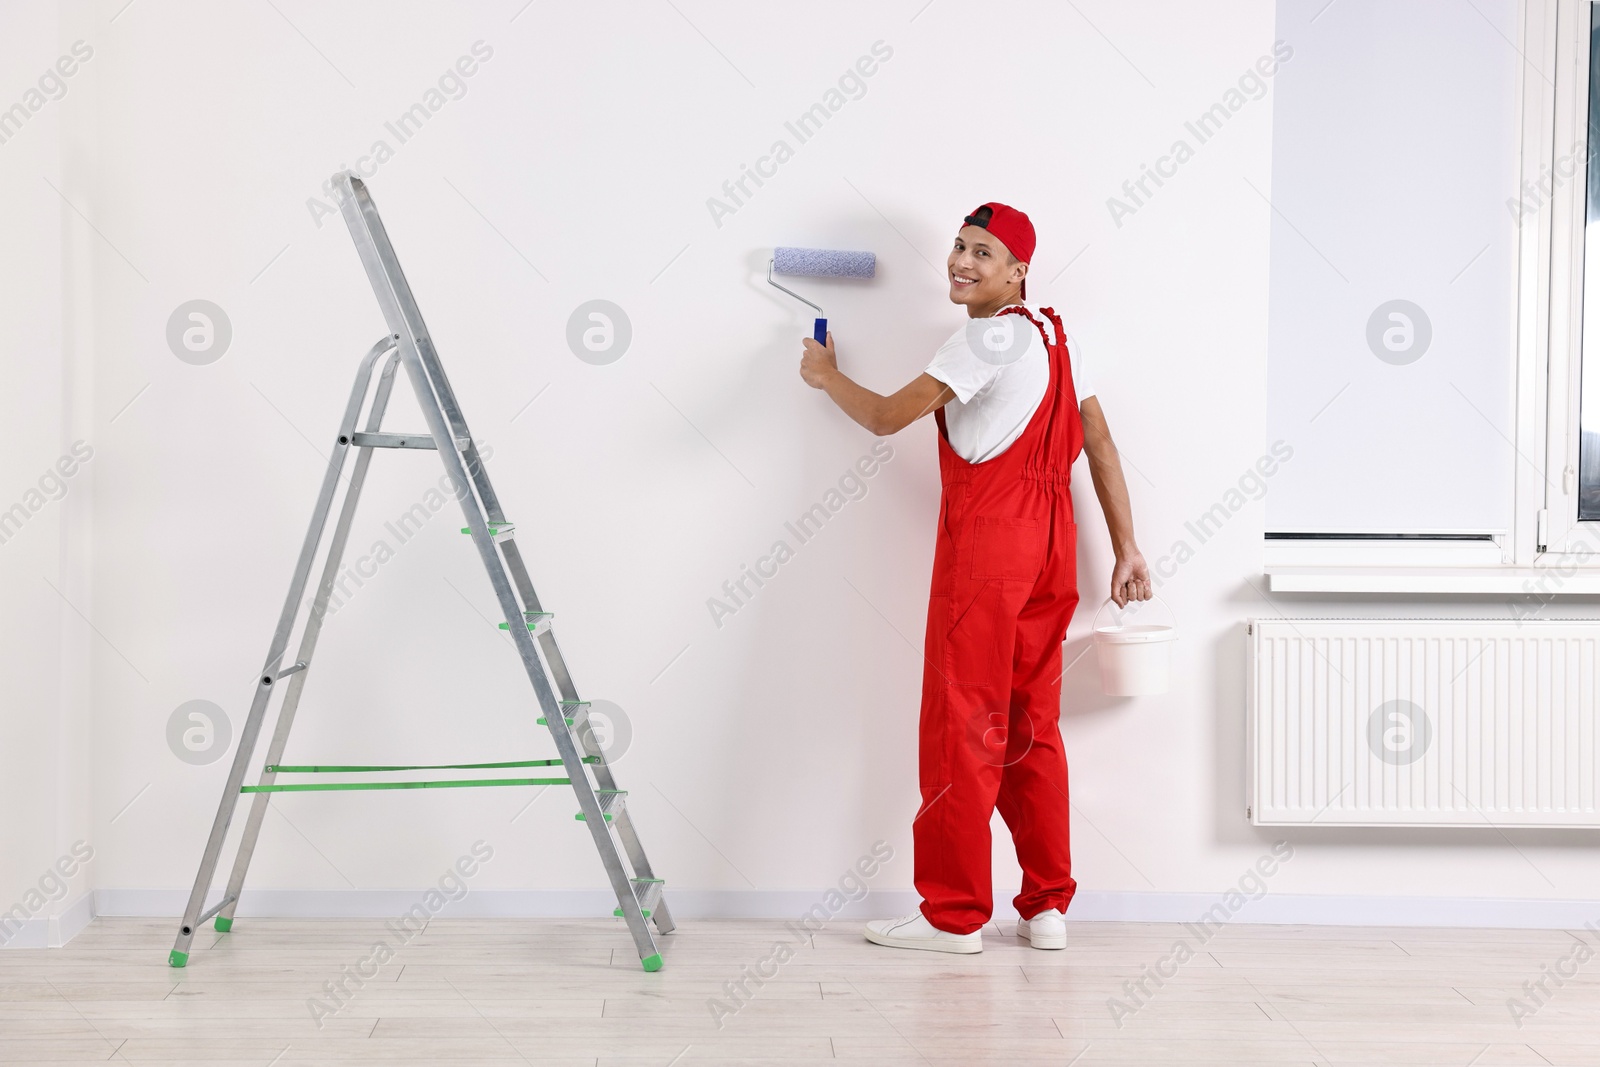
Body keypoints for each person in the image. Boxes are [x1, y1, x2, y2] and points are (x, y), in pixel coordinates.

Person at [798, 202, 1152, 953]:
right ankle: (1046, 906)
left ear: (1018, 270)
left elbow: (889, 416)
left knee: (963, 720)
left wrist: (828, 376)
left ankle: (951, 915)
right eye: (959, 246)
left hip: (991, 545)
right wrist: (1126, 547)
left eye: (983, 252)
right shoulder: (1059, 337)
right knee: (1030, 728)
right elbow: (1100, 446)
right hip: (1053, 546)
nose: (962, 260)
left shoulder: (980, 339)